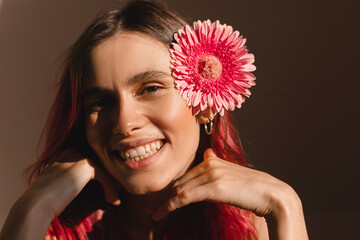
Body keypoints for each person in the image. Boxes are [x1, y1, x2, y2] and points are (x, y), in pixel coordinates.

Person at [0, 1, 308, 239]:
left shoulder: (253, 229)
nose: (123, 123)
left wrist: (284, 204)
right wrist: (30, 209)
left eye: (150, 89)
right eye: (101, 101)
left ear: (205, 104)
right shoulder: (53, 230)